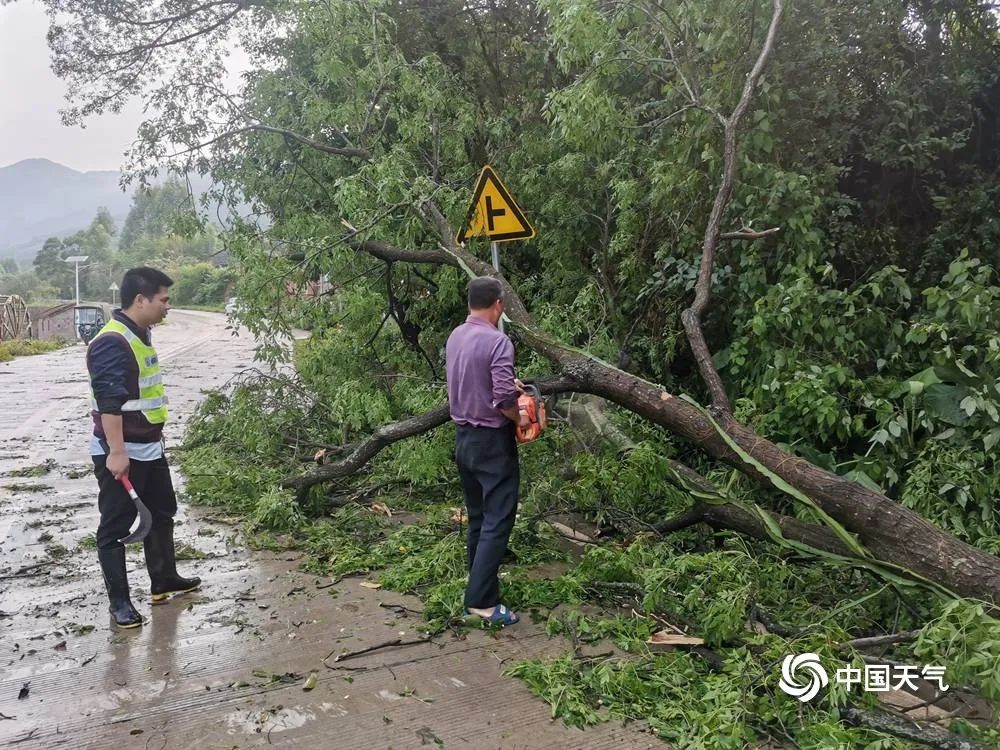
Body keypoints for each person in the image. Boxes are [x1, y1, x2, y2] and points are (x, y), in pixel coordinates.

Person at [87, 267, 200, 628]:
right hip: (123, 451)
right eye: (164, 299)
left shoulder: (141, 332)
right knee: (115, 525)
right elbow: (109, 402)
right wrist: (116, 453)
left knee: (162, 511)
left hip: (149, 446)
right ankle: (119, 604)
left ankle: (163, 579)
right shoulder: (111, 341)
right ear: (141, 299)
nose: (168, 306)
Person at [445, 276, 528, 627]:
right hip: (492, 443)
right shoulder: (498, 342)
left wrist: (510, 383)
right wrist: (521, 415)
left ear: (469, 303)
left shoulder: (456, 336)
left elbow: (472, 378)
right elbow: (503, 400)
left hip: (463, 439)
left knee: (479, 517)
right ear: (499, 304)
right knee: (498, 519)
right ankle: (481, 602)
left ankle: (480, 582)